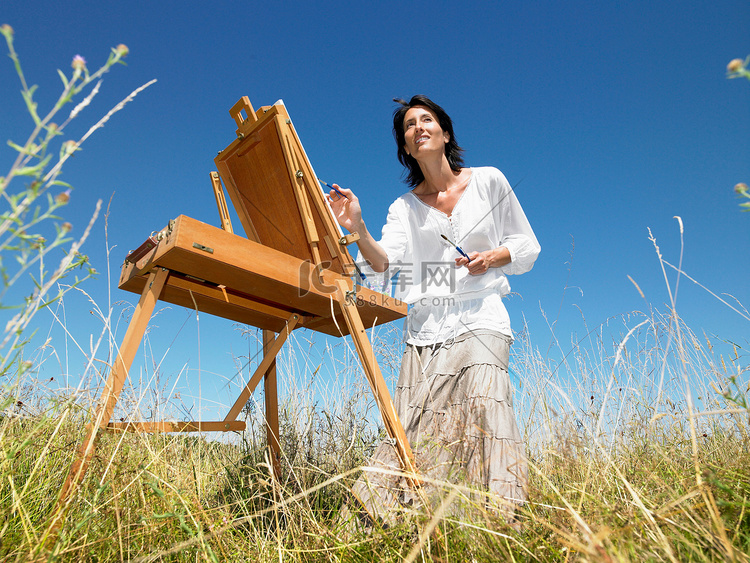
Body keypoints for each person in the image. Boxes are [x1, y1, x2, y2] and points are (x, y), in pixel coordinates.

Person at [326, 95, 540, 525]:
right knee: (416, 428)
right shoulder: (402, 208)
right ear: (406, 147)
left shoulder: (489, 181)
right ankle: (413, 523)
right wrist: (359, 228)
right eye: (409, 125)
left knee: (486, 404)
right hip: (426, 329)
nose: (418, 127)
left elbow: (527, 246)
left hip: (482, 317)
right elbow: (384, 268)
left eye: (427, 120)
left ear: (445, 134)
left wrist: (492, 257)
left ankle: (501, 520)